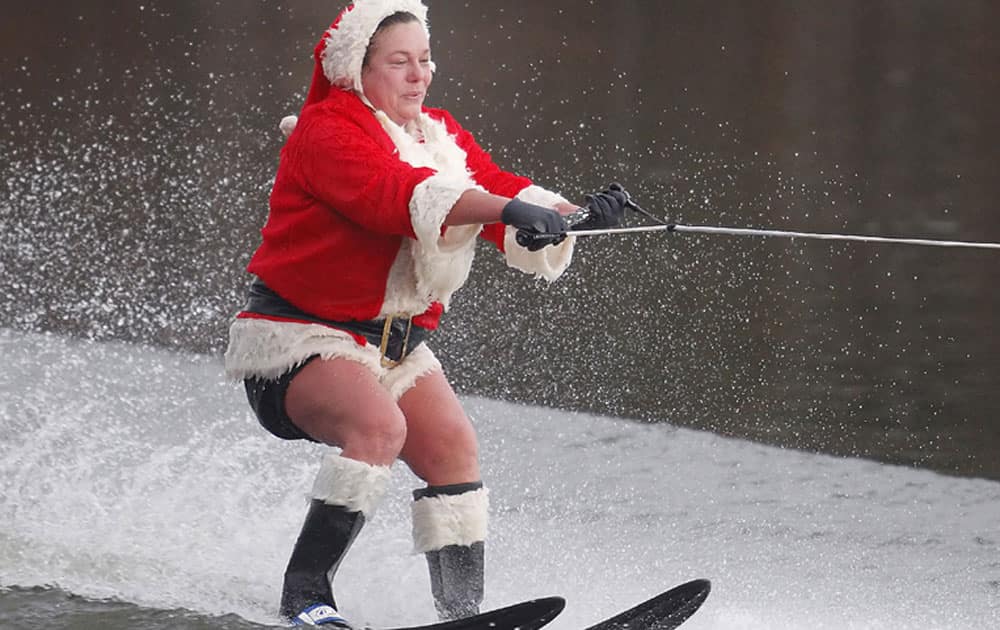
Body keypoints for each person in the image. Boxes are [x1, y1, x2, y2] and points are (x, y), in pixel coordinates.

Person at [224, 0, 628, 626]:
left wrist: (569, 218)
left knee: (452, 451)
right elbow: (398, 195)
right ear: (359, 69)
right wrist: (502, 210)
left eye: (425, 60)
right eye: (399, 62)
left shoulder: (437, 134)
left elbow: (493, 187)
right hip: (297, 342)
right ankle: (305, 599)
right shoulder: (325, 131)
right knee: (379, 428)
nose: (420, 75)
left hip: (390, 346)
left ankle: (461, 615)